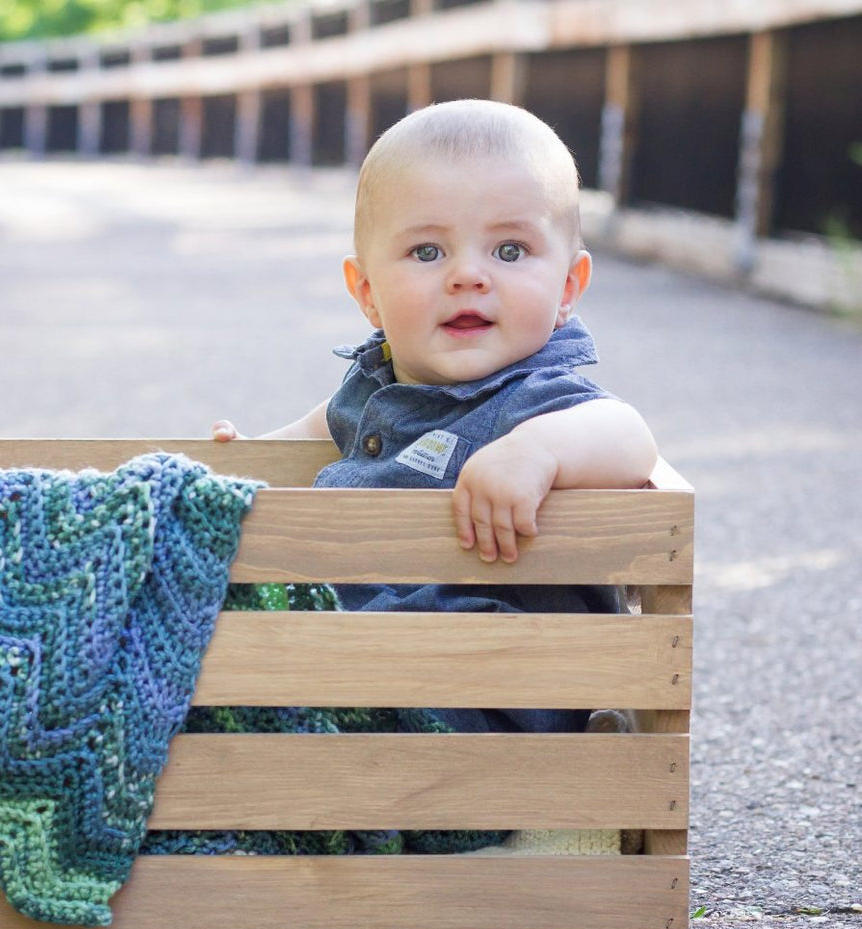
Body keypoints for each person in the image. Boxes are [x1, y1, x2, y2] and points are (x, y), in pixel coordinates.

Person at [211, 99, 657, 738]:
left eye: (509, 249)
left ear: (567, 287)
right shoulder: (379, 380)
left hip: (469, 697)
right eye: (427, 252)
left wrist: (535, 452)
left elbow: (630, 438)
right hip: (358, 658)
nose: (468, 275)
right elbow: (318, 429)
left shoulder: (535, 396)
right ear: (367, 294)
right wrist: (249, 460)